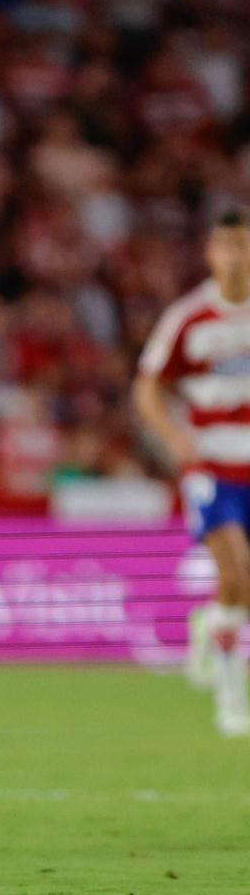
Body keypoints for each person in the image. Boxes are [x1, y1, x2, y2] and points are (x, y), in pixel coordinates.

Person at [134, 209, 250, 738]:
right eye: (227, 246)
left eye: (243, 246)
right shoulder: (189, 316)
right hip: (211, 466)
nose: (235, 257)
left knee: (241, 587)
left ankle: (211, 624)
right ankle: (231, 700)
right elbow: (147, 386)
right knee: (236, 574)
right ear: (211, 253)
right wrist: (175, 439)